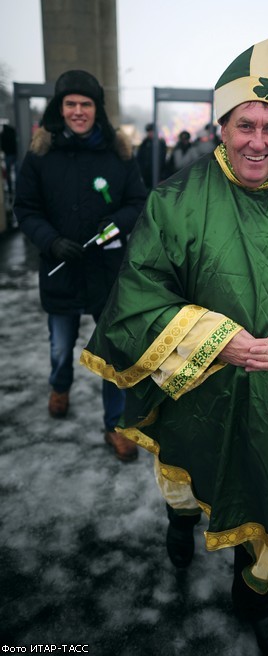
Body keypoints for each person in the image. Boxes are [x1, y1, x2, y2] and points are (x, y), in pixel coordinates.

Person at [80, 39, 268, 654]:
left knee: (265, 488)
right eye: (245, 125)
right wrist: (212, 339)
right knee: (187, 466)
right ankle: (179, 520)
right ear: (222, 125)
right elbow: (137, 297)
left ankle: (254, 595)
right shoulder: (172, 203)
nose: (257, 141)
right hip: (196, 384)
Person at [14, 69, 147, 462]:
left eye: (85, 104)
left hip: (107, 274)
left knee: (113, 355)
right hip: (61, 270)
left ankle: (116, 425)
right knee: (60, 347)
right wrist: (50, 242)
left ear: (96, 110)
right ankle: (60, 385)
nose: (77, 111)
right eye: (70, 103)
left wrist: (116, 225)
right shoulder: (40, 155)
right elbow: (26, 208)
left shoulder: (119, 153)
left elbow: (138, 202)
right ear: (60, 108)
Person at [136, 122, 167, 190]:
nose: (150, 134)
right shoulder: (145, 143)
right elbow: (139, 158)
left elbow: (162, 161)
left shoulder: (160, 143)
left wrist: (162, 176)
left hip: (156, 174)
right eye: (149, 132)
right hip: (145, 175)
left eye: (151, 131)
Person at [1, 123, 18, 195]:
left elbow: (1, 145)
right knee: (17, 171)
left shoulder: (2, 135)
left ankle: (10, 189)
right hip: (15, 154)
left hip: (8, 155)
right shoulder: (13, 132)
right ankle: (17, 187)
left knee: (8, 173)